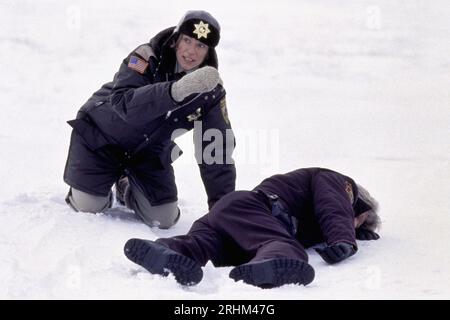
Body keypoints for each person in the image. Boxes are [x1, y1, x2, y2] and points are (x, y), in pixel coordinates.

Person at [63, 10, 236, 229]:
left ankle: (125, 186)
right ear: (175, 40)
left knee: (163, 219)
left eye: (201, 46)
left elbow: (214, 148)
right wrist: (176, 91)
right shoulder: (146, 56)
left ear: (208, 52)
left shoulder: (210, 90)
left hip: (148, 153)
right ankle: (94, 188)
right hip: (101, 138)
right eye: (187, 40)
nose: (191, 51)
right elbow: (124, 104)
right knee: (90, 206)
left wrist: (223, 209)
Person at [124, 167, 381, 288]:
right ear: (357, 205)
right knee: (283, 246)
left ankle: (166, 251)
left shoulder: (316, 218)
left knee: (200, 244)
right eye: (358, 218)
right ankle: (275, 259)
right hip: (255, 209)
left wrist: (352, 232)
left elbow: (329, 216)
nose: (355, 223)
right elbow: (333, 206)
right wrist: (343, 238)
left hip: (231, 219)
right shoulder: (339, 184)